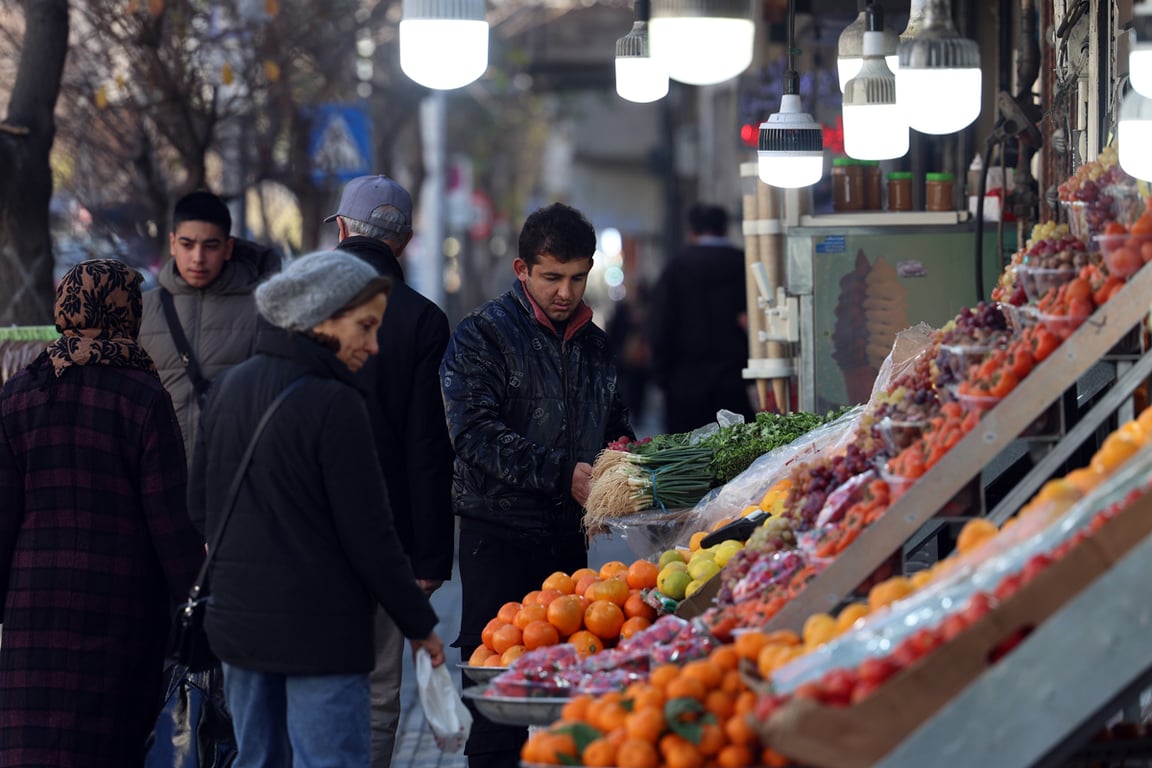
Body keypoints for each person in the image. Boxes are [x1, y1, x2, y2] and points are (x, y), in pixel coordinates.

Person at [188, 250, 445, 767]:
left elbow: (198, 507)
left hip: (240, 628)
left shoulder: (229, 388)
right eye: (365, 327)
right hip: (320, 635)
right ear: (321, 319)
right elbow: (371, 537)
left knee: (257, 759)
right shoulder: (336, 404)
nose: (373, 346)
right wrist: (420, 625)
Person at [440, 202, 634, 768]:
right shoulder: (482, 336)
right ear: (522, 270)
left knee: (569, 700)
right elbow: (472, 433)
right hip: (496, 538)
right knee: (499, 701)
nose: (565, 292)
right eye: (552, 277)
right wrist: (559, 472)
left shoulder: (595, 344)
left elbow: (614, 423)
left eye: (577, 277)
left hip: (569, 543)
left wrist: (625, 459)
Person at [0, 259, 206, 766]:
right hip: (122, 601)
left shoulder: (18, 394)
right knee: (109, 743)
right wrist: (196, 607)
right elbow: (169, 519)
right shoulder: (143, 397)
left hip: (34, 606)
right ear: (125, 312)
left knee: (32, 745)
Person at [328, 174, 456, 768]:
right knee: (380, 692)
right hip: (388, 539)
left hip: (301, 527)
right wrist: (430, 558)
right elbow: (427, 445)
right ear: (403, 241)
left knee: (306, 681)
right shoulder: (422, 320)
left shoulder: (301, 305)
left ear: (342, 231)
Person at [139, 189, 281, 461]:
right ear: (172, 243)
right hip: (162, 479)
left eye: (210, 246)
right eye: (187, 244)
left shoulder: (263, 311)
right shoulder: (141, 310)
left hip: (236, 479)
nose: (198, 257)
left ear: (228, 248)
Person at [649, 202, 756, 433]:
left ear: (691, 232)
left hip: (685, 388)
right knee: (738, 458)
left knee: (688, 461)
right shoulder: (744, 265)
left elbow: (660, 326)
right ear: (725, 230)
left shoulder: (676, 268)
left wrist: (664, 379)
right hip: (735, 383)